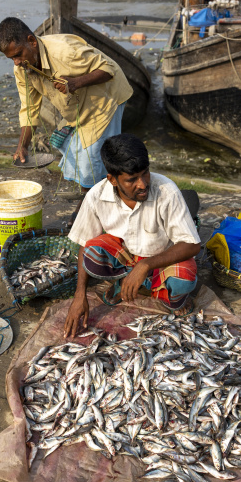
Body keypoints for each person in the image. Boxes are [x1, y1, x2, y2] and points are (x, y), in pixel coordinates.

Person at [0, 17, 133, 225]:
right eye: (11, 59)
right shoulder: (23, 69)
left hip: (104, 99)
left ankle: (89, 209)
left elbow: (108, 70)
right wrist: (22, 146)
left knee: (92, 161)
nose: (16, 62)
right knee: (67, 145)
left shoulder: (65, 51)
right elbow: (29, 109)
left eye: (18, 55)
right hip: (76, 106)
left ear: (32, 41)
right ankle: (101, 196)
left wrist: (76, 82)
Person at [64, 134, 201, 338]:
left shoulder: (167, 191)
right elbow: (84, 243)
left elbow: (192, 245)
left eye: (145, 174)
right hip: (126, 259)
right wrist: (79, 295)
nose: (143, 184)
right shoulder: (95, 196)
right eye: (132, 180)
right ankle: (125, 284)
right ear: (112, 179)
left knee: (184, 280)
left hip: (161, 260)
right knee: (92, 253)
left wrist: (144, 266)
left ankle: (171, 296)